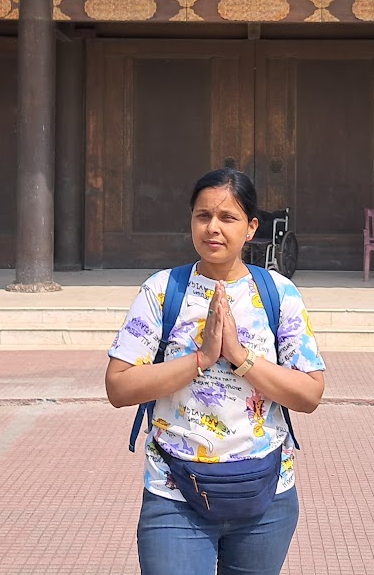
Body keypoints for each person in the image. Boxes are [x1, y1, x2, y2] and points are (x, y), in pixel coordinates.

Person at [106, 168, 327, 575]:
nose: (213, 228)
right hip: (175, 494)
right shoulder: (161, 291)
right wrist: (200, 360)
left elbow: (310, 394)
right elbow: (119, 387)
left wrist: (241, 357)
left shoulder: (278, 294)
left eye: (228, 218)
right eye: (203, 216)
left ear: (250, 227)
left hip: (265, 496)